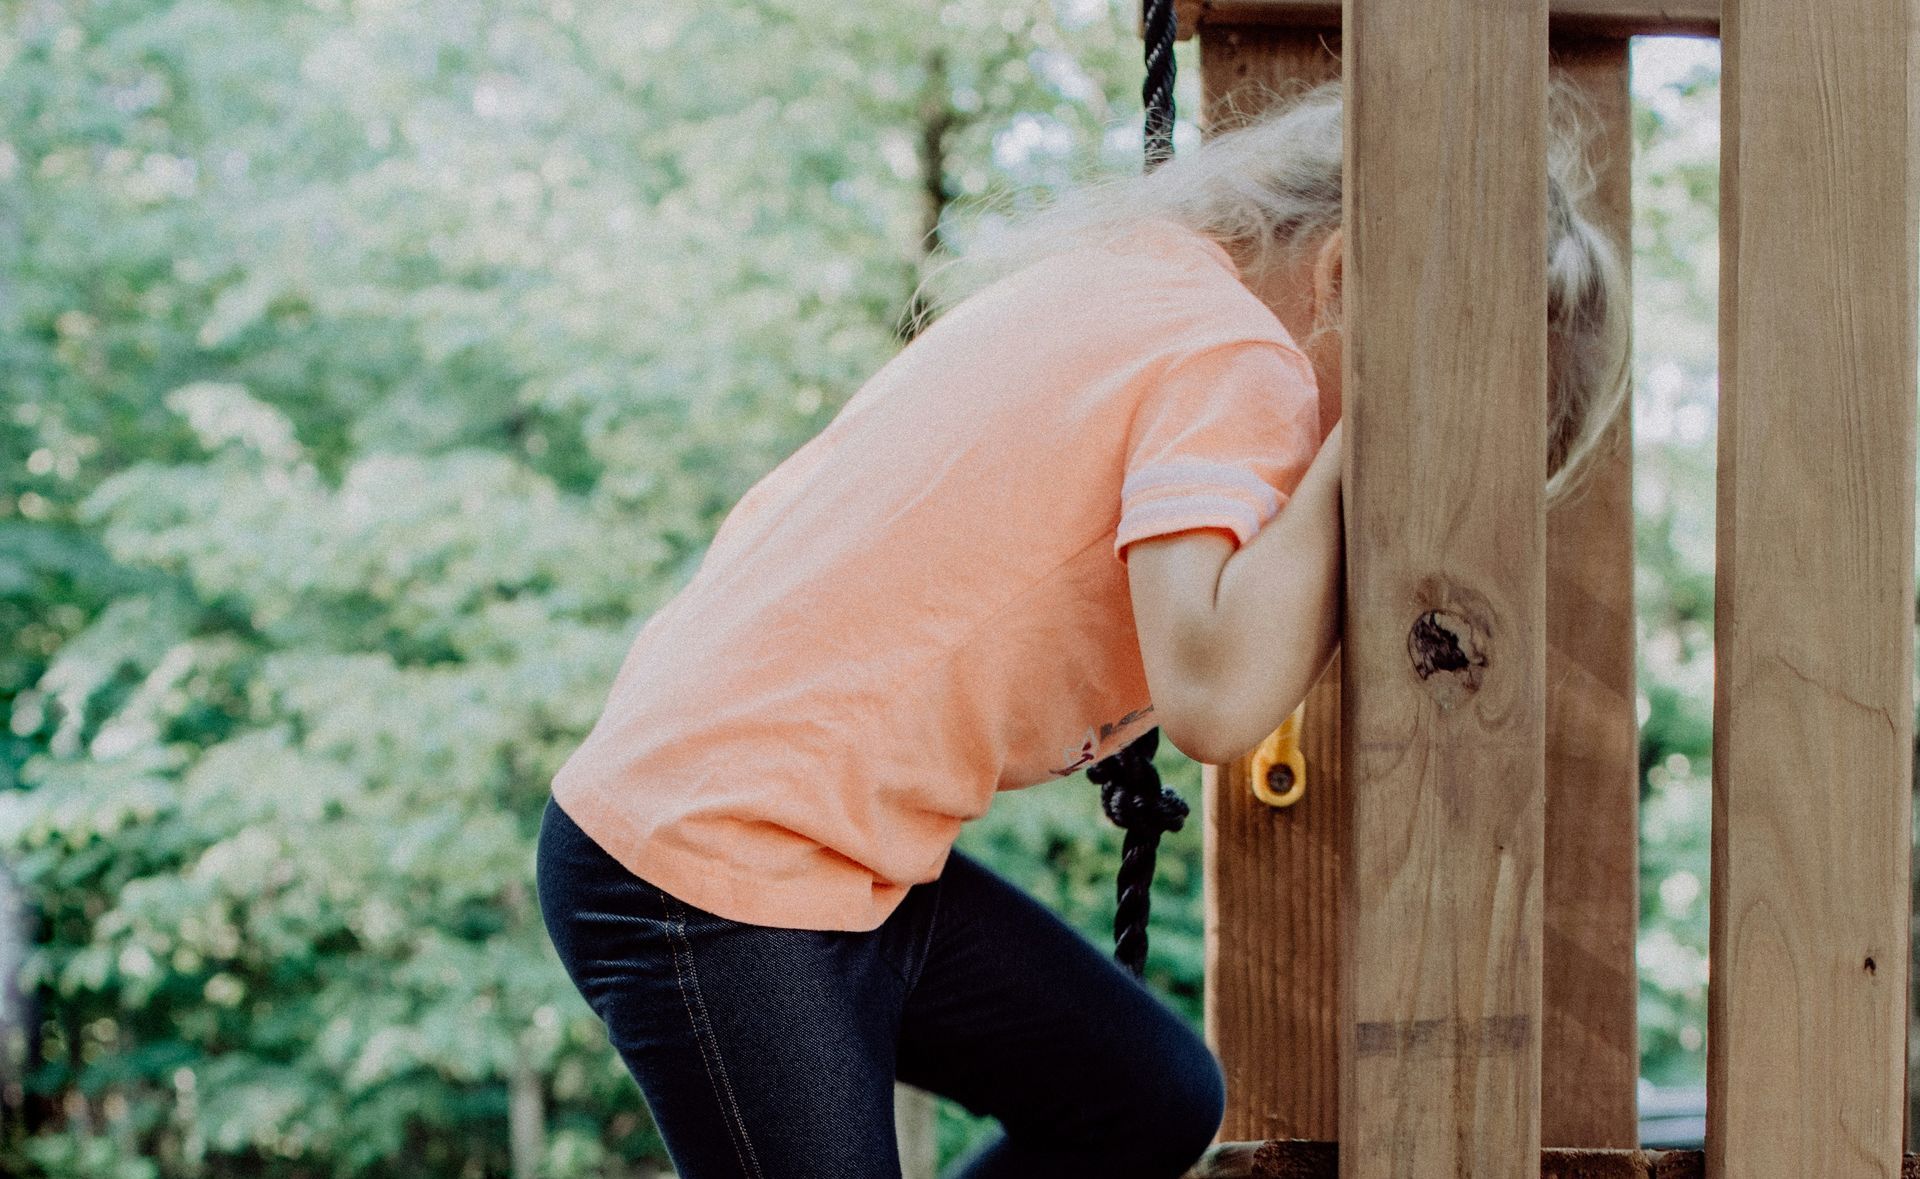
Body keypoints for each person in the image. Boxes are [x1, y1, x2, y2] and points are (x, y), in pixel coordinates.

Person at [534, 78, 1629, 1179]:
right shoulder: (1234, 358)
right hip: (715, 860)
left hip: (810, 843)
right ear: (1342, 277)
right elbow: (1214, 700)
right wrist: (1369, 444)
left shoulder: (1139, 282)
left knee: (1142, 1097)